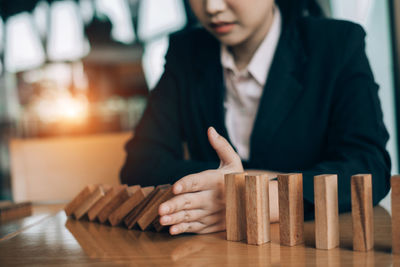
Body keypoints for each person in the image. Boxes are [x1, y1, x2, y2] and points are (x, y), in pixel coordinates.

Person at [120, 0, 391, 235]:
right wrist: (231, 187)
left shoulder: (337, 44)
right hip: (214, 250)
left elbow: (368, 167)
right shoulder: (187, 53)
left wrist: (265, 197)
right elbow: (139, 165)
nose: (212, 7)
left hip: (315, 245)